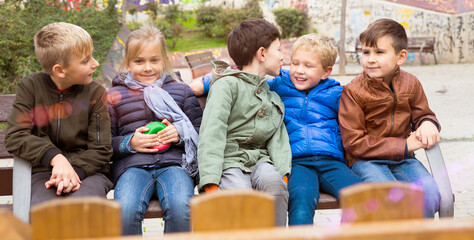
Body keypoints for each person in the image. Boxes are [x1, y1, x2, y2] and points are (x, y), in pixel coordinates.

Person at [194, 33, 362, 226]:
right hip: (297, 162)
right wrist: (203, 83)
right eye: (295, 63)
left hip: (331, 160)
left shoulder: (336, 93)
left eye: (308, 66)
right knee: (300, 202)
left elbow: (357, 113)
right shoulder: (280, 83)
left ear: (326, 72)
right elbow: (245, 77)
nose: (299, 71)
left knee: (362, 196)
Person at [338, 18, 441, 218]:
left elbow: (423, 113)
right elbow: (354, 143)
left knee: (429, 194)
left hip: (403, 160)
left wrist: (428, 123)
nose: (370, 59)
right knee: (391, 197)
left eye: (379, 52)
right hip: (366, 161)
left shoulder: (411, 84)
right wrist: (404, 145)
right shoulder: (353, 92)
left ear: (401, 57)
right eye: (366, 52)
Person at [5, 22, 113, 207]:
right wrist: (56, 158)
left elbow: (102, 149)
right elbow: (15, 136)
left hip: (88, 173)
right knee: (44, 212)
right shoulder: (30, 88)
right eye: (86, 60)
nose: (95, 63)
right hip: (44, 173)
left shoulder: (95, 94)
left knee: (86, 210)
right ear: (60, 70)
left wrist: (71, 172)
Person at [107, 24, 202, 235]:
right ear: (127, 63)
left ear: (164, 60)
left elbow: (199, 129)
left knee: (180, 208)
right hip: (132, 167)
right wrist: (129, 143)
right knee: (124, 212)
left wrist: (179, 134)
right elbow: (107, 141)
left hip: (175, 165)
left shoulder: (181, 90)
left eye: (154, 60)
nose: (147, 67)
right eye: (139, 61)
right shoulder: (115, 95)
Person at [197, 18, 291, 226]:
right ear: (262, 54)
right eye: (279, 50)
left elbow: (278, 138)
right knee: (242, 195)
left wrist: (283, 173)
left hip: (260, 161)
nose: (283, 57)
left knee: (275, 185)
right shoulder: (227, 86)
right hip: (229, 162)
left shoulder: (269, 93)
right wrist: (210, 181)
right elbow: (212, 133)